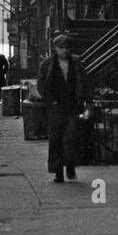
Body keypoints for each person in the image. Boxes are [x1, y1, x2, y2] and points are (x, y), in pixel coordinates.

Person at [37, 34, 90, 183]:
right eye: (61, 48)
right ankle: (58, 171)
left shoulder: (77, 63)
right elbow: (41, 85)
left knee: (72, 138)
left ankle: (70, 166)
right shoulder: (47, 64)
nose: (64, 50)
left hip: (73, 106)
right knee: (55, 139)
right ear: (55, 48)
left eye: (67, 47)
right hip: (55, 108)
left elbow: (85, 83)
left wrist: (88, 103)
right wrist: (50, 101)